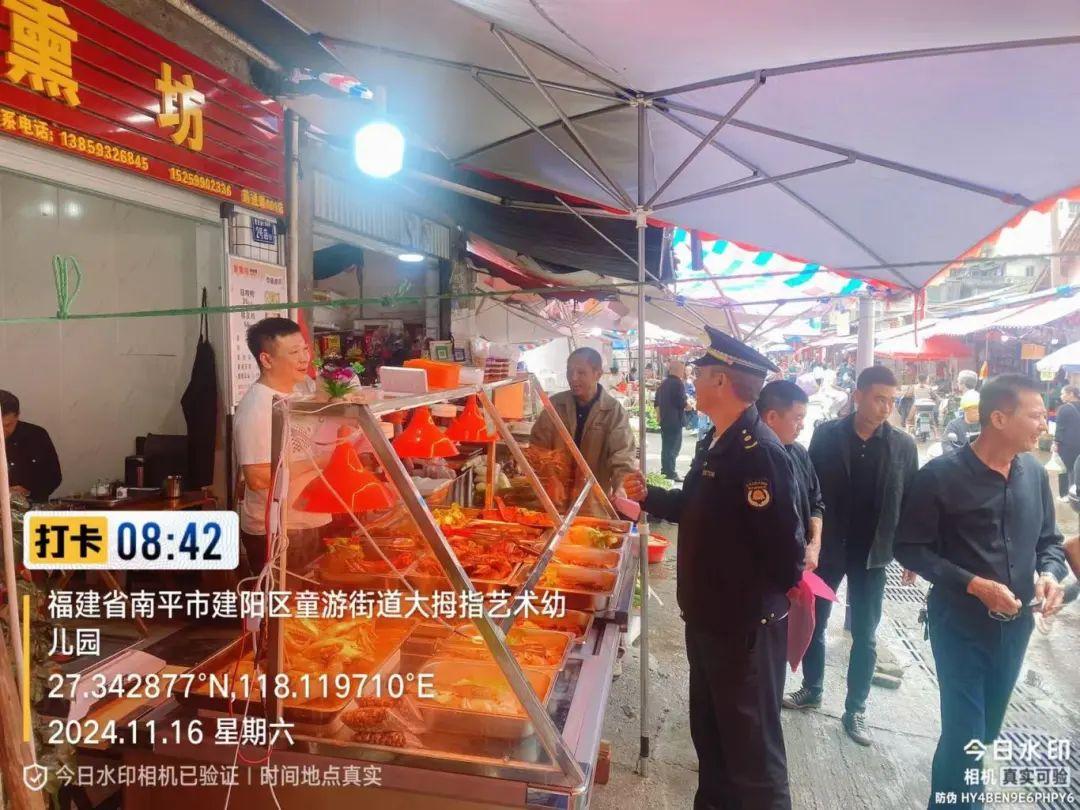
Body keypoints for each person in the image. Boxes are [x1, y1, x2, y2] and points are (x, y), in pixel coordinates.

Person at [623, 326, 804, 810]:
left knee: (753, 757)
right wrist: (650, 497)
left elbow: (785, 554)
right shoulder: (715, 440)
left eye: (700, 374)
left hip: (742, 630)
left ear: (721, 381)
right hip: (707, 620)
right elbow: (696, 506)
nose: (694, 381)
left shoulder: (759, 453)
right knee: (713, 741)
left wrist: (746, 601)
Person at [895, 374, 1067, 810]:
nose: (1044, 425)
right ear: (999, 418)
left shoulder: (1033, 474)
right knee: (966, 736)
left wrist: (1049, 574)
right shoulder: (940, 476)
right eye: (1035, 415)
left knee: (981, 734)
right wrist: (972, 583)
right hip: (959, 626)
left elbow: (1049, 541)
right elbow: (909, 548)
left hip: (1016, 628)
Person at [783, 365, 918, 747]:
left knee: (865, 634)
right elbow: (807, 488)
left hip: (873, 554)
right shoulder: (827, 435)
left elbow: (912, 500)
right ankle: (812, 689)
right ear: (858, 396)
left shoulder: (903, 446)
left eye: (891, 401)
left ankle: (856, 709)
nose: (886, 408)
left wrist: (910, 553)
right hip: (827, 550)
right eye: (879, 399)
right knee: (815, 622)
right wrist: (805, 539)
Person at [234, 317, 329, 574]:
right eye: (294, 352)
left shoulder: (299, 392)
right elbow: (257, 477)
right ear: (267, 360)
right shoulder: (257, 407)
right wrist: (320, 462)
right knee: (286, 599)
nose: (304, 358)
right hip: (277, 529)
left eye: (305, 349)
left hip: (308, 519)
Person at [530, 347, 636, 497]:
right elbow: (538, 446)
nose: (573, 378)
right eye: (569, 371)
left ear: (598, 374)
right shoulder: (555, 405)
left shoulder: (613, 411)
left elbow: (622, 455)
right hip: (555, 498)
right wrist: (550, 477)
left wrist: (621, 487)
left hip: (594, 499)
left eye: (581, 372)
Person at [757, 380, 824, 572]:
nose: (802, 426)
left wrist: (815, 545)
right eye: (798, 418)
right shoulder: (749, 458)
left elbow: (816, 503)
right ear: (771, 417)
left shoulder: (799, 453)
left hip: (798, 566)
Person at [1, 390, 62, 503]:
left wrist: (28, 491)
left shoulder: (36, 435)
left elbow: (54, 477)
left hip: (32, 506)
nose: (2, 432)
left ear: (17, 415)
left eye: (7, 425)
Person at [655, 360, 689, 481]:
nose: (683, 372)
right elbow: (680, 402)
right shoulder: (678, 383)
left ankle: (665, 470)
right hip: (675, 421)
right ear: (678, 370)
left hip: (665, 420)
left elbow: (656, 402)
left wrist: (659, 416)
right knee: (673, 448)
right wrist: (689, 405)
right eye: (682, 369)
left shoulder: (663, 383)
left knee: (666, 447)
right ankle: (670, 473)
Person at [1053, 384, 1080, 500]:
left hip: (1067, 444)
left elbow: (1060, 428)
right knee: (1077, 468)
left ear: (1071, 394)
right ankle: (1076, 493)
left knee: (1063, 468)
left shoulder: (1064, 409)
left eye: (1063, 393)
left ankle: (1064, 495)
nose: (1061, 396)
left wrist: (1055, 443)